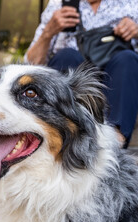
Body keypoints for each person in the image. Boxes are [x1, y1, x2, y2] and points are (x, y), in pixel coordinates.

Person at [25, 0, 138, 148]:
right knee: (67, 55)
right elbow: (30, 65)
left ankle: (114, 144)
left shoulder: (131, 4)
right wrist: (48, 31)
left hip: (115, 81)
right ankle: (62, 135)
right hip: (71, 80)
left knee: (127, 59)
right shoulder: (58, 5)